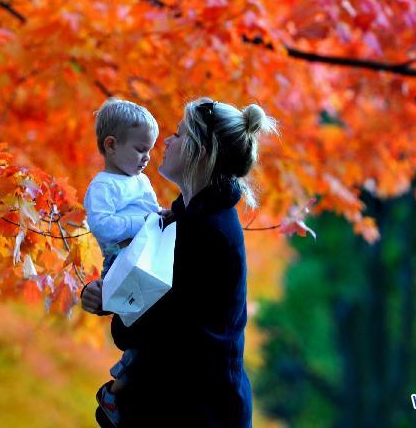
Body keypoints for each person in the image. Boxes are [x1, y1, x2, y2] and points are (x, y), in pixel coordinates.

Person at [81, 97, 279, 427]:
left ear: (199, 152)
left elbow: (164, 326)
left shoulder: (206, 230)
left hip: (199, 410)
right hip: (186, 402)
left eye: (179, 134)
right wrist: (110, 296)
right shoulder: (189, 218)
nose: (168, 142)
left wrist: (115, 306)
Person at [83, 98, 165, 424]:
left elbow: (154, 212)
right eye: (140, 149)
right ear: (112, 145)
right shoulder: (103, 186)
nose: (146, 157)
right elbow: (102, 225)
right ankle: (117, 391)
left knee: (152, 331)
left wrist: (159, 219)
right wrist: (142, 222)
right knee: (145, 328)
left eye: (150, 150)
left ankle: (125, 384)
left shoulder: (141, 181)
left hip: (146, 257)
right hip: (120, 262)